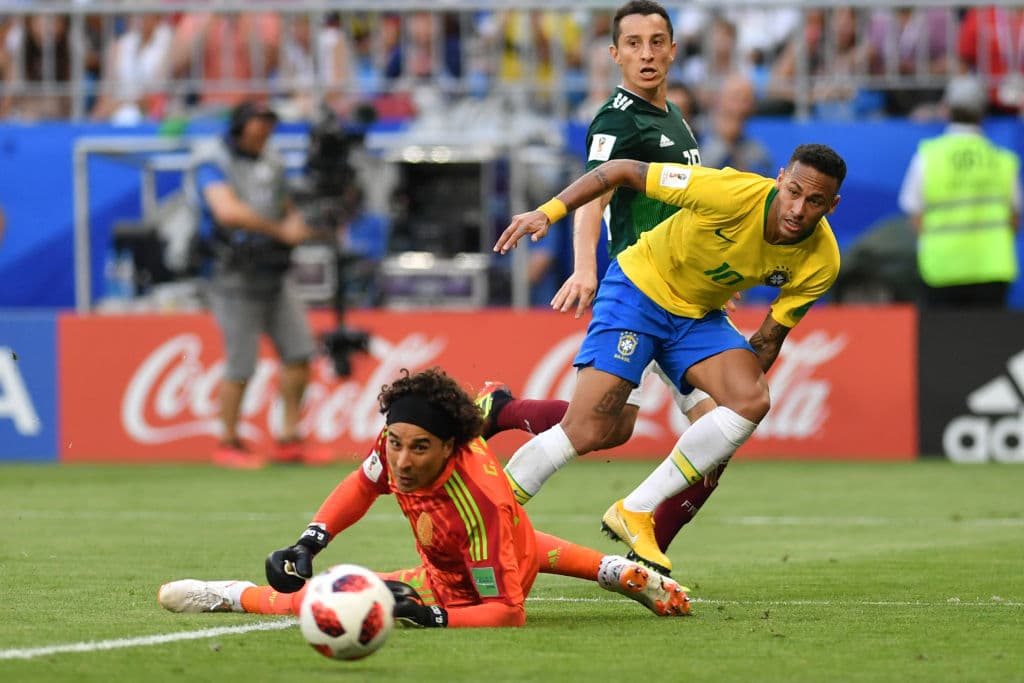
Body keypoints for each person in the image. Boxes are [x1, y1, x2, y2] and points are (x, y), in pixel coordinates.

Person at [493, 143, 846, 575]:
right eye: (794, 192)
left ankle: (636, 510)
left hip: (697, 317)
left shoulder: (822, 262)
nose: (798, 208)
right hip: (640, 290)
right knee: (591, 428)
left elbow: (769, 340)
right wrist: (549, 211)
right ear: (779, 179)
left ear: (833, 204)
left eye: (815, 201)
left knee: (751, 400)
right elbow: (620, 169)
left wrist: (732, 414)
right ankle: (491, 513)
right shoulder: (729, 192)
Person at [478, 0, 727, 566]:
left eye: (656, 41)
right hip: (640, 290)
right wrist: (585, 266)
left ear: (672, 48)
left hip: (685, 292)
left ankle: (504, 412)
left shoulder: (672, 116)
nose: (646, 53)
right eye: (633, 43)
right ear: (614, 54)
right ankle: (499, 524)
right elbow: (596, 190)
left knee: (617, 428)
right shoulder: (618, 118)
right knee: (618, 427)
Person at [157, 367, 690, 626]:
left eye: (419, 449)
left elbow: (505, 612)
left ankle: (228, 595)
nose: (402, 461)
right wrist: (309, 541)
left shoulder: (478, 500)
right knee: (519, 544)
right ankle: (613, 571)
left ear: (450, 447)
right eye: (395, 444)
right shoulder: (399, 442)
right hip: (484, 548)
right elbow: (364, 484)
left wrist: (431, 616)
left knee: (328, 602)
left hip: (464, 575)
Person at [195, 100, 317, 468]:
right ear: (240, 126)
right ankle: (228, 441)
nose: (264, 130)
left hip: (274, 271)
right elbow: (226, 211)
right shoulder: (211, 159)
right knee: (241, 362)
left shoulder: (272, 160)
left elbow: (285, 204)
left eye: (268, 123)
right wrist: (281, 230)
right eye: (257, 123)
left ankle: (288, 437)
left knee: (299, 353)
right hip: (231, 273)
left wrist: (295, 224)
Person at [897, 75, 1021, 308]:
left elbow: (915, 216)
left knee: (944, 343)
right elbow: (1014, 220)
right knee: (989, 343)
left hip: (941, 269)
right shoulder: (1003, 161)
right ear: (983, 113)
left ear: (946, 110)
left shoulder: (928, 158)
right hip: (992, 269)